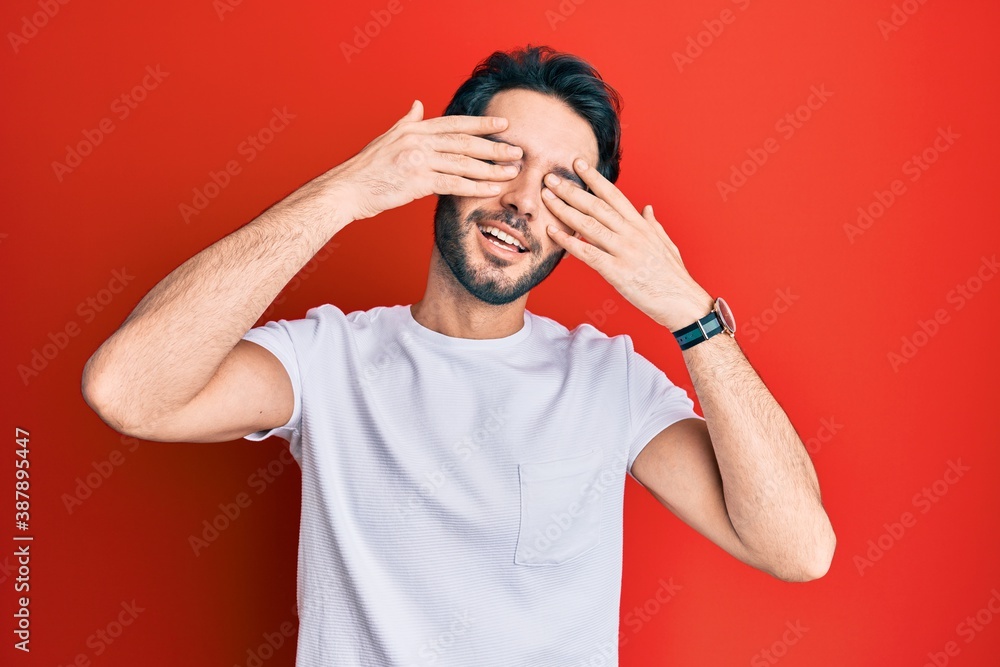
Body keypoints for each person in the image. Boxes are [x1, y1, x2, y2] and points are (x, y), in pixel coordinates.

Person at [82, 44, 835, 666]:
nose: (523, 202)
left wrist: (691, 313)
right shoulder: (330, 358)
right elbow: (127, 391)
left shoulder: (609, 382)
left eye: (565, 187)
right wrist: (349, 190)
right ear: (444, 163)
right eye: (502, 161)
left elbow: (799, 548)